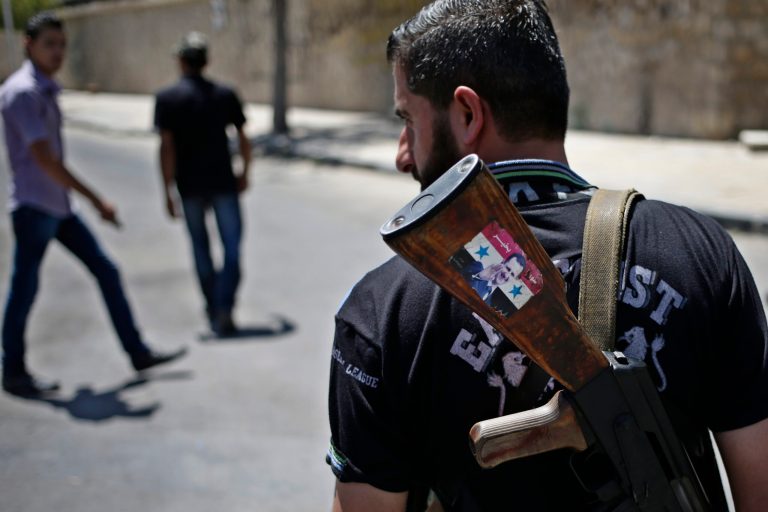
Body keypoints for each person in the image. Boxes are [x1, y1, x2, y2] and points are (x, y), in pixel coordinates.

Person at [326, 1, 768, 511]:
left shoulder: (382, 309)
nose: (403, 152)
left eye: (408, 119)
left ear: (468, 114)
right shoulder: (702, 253)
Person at [0, 12, 186, 396]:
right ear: (28, 45)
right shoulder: (22, 92)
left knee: (106, 271)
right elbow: (46, 160)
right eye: (49, 44)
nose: (57, 52)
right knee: (25, 289)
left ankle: (136, 352)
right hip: (35, 208)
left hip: (58, 207)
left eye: (61, 44)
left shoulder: (45, 89)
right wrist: (96, 199)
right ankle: (13, 370)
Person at [154, 31, 251, 336]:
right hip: (223, 182)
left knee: (200, 248)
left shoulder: (167, 99)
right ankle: (223, 307)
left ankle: (214, 307)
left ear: (181, 62)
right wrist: (245, 171)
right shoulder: (224, 94)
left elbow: (166, 147)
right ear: (206, 61)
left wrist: (167, 189)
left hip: (190, 187)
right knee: (232, 248)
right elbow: (244, 137)